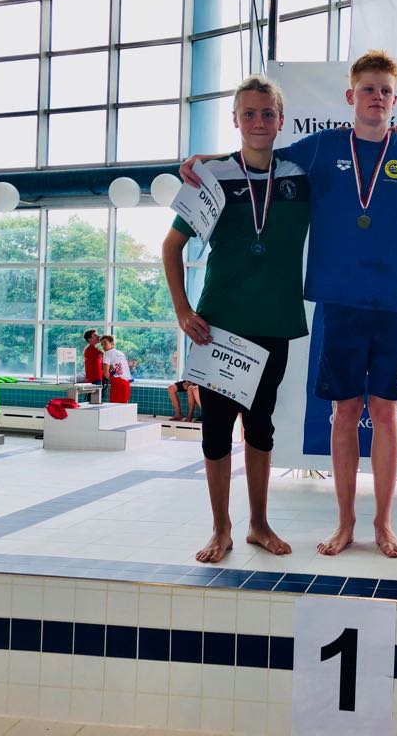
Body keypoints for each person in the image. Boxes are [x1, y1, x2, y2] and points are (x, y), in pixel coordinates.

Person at [182, 51, 397, 559]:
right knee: (344, 413)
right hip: (340, 304)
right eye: (368, 89)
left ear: (395, 100)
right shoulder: (321, 148)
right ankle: (345, 523)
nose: (376, 97)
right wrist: (202, 161)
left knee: (386, 414)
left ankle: (383, 524)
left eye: (385, 90)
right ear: (350, 96)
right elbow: (259, 154)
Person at [163, 74, 310, 563]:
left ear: (281, 120)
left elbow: (353, 155)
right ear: (235, 120)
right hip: (218, 326)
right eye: (249, 113)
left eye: (268, 113)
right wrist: (183, 310)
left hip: (274, 324)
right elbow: (172, 246)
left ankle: (259, 524)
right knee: (215, 430)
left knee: (261, 427)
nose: (259, 122)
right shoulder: (212, 178)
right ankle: (221, 528)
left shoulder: (299, 175)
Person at [100, 335, 132, 404]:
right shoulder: (121, 353)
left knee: (114, 405)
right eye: (102, 344)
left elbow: (105, 373)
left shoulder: (107, 353)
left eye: (105, 343)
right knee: (124, 405)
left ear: (112, 343)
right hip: (126, 382)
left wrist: (112, 380)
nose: (103, 346)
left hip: (117, 381)